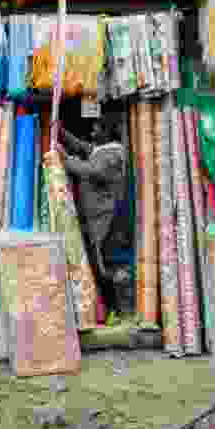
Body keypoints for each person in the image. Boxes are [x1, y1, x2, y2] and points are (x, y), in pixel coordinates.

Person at [54, 113, 128, 318]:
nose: (92, 132)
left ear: (107, 133)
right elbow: (82, 146)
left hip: (105, 218)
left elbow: (92, 170)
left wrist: (67, 160)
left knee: (103, 267)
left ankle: (115, 309)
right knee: (97, 262)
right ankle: (107, 309)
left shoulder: (113, 156)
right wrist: (60, 132)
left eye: (97, 129)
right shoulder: (102, 150)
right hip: (95, 217)